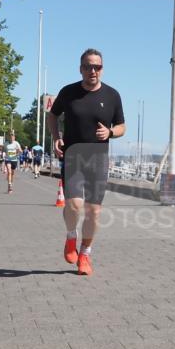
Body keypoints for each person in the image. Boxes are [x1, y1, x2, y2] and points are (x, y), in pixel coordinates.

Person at [48, 48, 125, 276]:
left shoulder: (112, 95)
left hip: (98, 159)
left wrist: (110, 132)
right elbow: (52, 115)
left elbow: (122, 126)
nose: (93, 71)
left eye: (97, 67)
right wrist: (56, 137)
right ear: (80, 69)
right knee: (73, 205)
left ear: (102, 69)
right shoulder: (68, 92)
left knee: (94, 211)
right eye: (88, 66)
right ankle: (71, 236)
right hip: (73, 156)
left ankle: (85, 254)